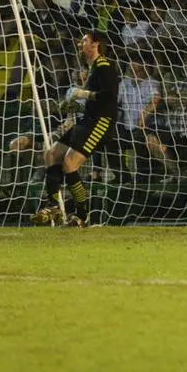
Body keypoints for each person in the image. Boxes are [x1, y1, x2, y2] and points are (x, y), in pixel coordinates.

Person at [30, 30, 119, 227]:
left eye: (85, 40)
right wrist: (74, 105)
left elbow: (109, 96)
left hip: (100, 123)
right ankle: (53, 205)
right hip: (86, 120)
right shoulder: (92, 68)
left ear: (96, 44)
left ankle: (82, 216)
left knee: (70, 163)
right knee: (52, 154)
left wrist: (83, 94)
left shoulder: (104, 66)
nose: (80, 44)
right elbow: (93, 100)